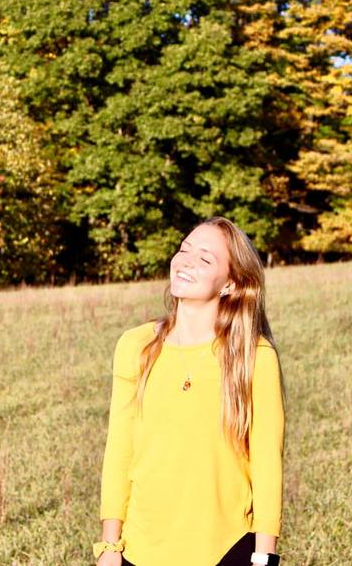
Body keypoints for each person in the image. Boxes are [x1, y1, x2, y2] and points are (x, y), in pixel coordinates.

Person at [93, 216, 286, 566]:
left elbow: (267, 462)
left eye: (205, 259)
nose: (186, 261)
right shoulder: (135, 346)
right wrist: (109, 546)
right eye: (184, 250)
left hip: (225, 549)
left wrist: (265, 555)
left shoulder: (254, 356)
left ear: (230, 283)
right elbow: (119, 449)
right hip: (141, 549)